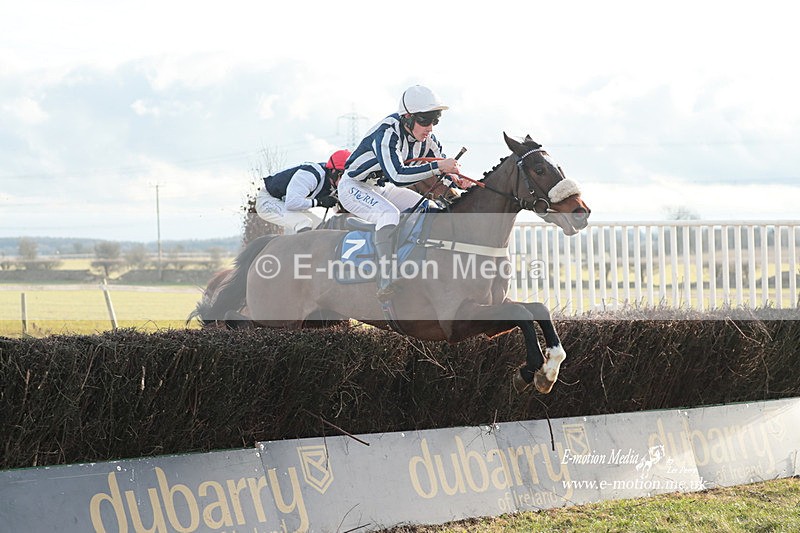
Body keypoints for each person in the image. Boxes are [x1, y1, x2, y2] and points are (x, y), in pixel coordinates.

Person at [338, 85, 465, 301]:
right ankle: (385, 277)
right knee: (389, 214)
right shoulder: (387, 133)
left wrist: (459, 181)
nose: (430, 128)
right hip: (353, 187)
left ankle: (414, 262)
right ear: (407, 118)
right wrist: (440, 168)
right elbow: (397, 175)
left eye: (435, 120)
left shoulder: (427, 140)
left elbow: (442, 164)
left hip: (379, 188)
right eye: (425, 120)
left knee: (428, 208)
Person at [255, 149, 350, 234]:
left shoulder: (334, 183)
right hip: (268, 200)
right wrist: (319, 202)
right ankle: (297, 253)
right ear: (333, 171)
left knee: (323, 228)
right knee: (304, 223)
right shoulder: (311, 175)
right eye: (342, 175)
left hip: (287, 202)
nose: (345, 182)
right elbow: (291, 203)